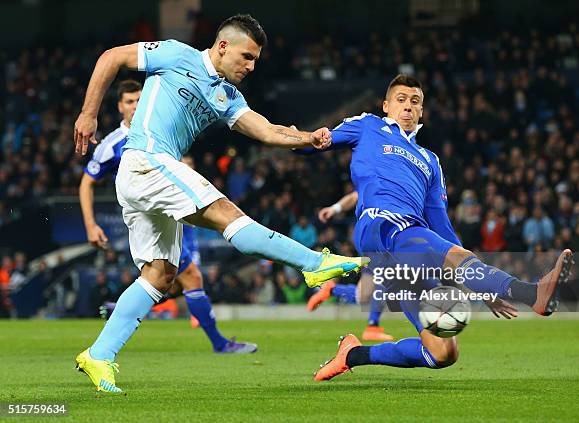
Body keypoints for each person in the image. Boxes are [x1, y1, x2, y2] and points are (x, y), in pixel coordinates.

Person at [73, 14, 369, 393]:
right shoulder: (176, 55)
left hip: (147, 178)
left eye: (256, 61)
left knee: (161, 274)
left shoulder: (227, 96)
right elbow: (111, 57)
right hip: (147, 161)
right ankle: (314, 264)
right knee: (229, 216)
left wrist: (310, 138)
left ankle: (99, 354)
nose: (250, 66)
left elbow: (265, 130)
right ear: (223, 45)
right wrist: (88, 113)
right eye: (246, 57)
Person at [309, 74, 573, 381]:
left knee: (442, 353)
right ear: (386, 106)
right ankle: (530, 293)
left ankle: (352, 355)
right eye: (401, 100)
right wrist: (290, 138)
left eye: (415, 102)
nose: (408, 107)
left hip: (409, 250)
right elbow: (316, 142)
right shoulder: (369, 126)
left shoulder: (430, 161)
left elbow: (442, 228)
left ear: (422, 111)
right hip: (384, 228)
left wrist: (482, 286)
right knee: (422, 248)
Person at [79, 80, 256, 354]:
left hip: (172, 213)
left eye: (140, 100)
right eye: (129, 101)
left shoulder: (157, 130)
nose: (135, 106)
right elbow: (86, 183)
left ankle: (121, 310)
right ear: (119, 107)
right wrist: (91, 225)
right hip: (149, 220)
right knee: (189, 277)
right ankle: (220, 344)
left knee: (166, 280)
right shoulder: (112, 144)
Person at [310, 191, 393, 341]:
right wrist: (335, 209)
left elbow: (354, 196)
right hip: (375, 233)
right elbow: (355, 196)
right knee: (386, 274)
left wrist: (334, 209)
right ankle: (372, 326)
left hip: (377, 234)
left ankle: (332, 289)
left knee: (364, 295)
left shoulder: (383, 179)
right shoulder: (379, 180)